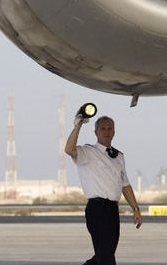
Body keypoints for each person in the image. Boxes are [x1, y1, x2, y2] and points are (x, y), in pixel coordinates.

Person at [65, 113, 143, 265]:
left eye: (110, 129)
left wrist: (135, 209)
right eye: (103, 128)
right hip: (97, 209)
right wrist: (78, 126)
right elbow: (69, 149)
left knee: (104, 254)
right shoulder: (87, 152)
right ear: (96, 132)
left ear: (114, 132)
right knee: (106, 256)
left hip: (113, 210)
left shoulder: (119, 156)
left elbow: (125, 185)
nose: (107, 132)